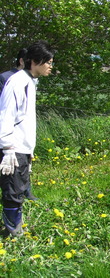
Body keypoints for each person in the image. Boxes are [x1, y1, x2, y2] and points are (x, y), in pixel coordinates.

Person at [0, 41, 55, 236]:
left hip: (23, 148)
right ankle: (12, 233)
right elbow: (6, 115)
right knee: (13, 192)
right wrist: (7, 149)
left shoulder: (29, 81)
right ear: (35, 61)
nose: (50, 66)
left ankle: (15, 229)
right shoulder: (17, 82)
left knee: (19, 188)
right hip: (13, 149)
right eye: (48, 62)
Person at [0, 49, 38, 201]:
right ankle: (12, 220)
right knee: (11, 185)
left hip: (23, 139)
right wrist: (7, 146)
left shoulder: (30, 79)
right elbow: (7, 111)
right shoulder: (10, 79)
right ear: (23, 61)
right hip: (10, 136)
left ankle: (25, 193)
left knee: (20, 176)